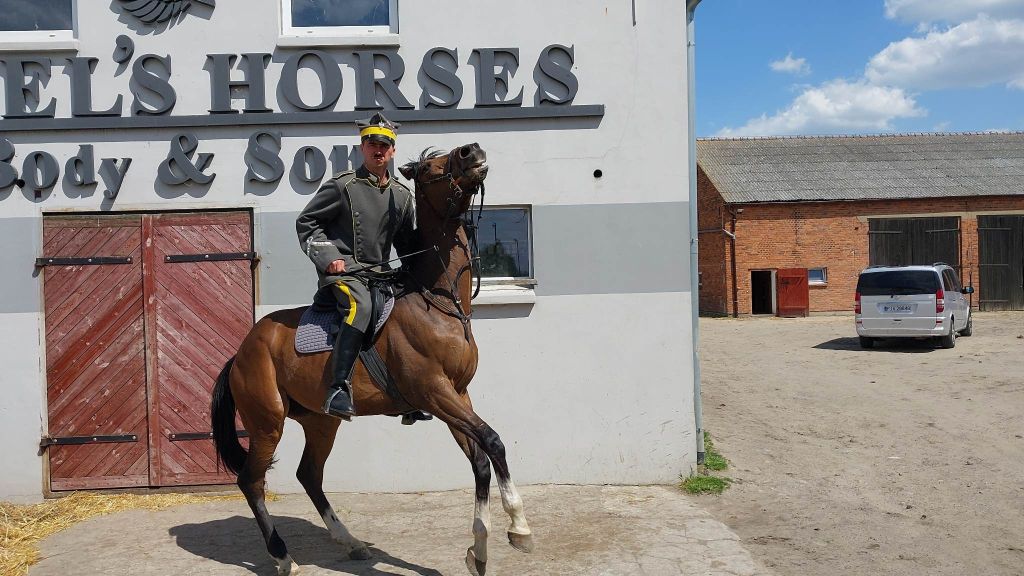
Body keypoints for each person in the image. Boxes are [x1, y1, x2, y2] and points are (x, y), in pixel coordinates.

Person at [296, 112, 415, 419]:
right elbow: (307, 223)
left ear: (393, 151)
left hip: (381, 275)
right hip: (346, 271)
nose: (378, 150)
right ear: (362, 147)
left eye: (384, 145)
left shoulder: (402, 196)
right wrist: (328, 258)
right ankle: (338, 388)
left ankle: (409, 393)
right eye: (372, 144)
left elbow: (406, 244)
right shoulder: (343, 186)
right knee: (359, 306)